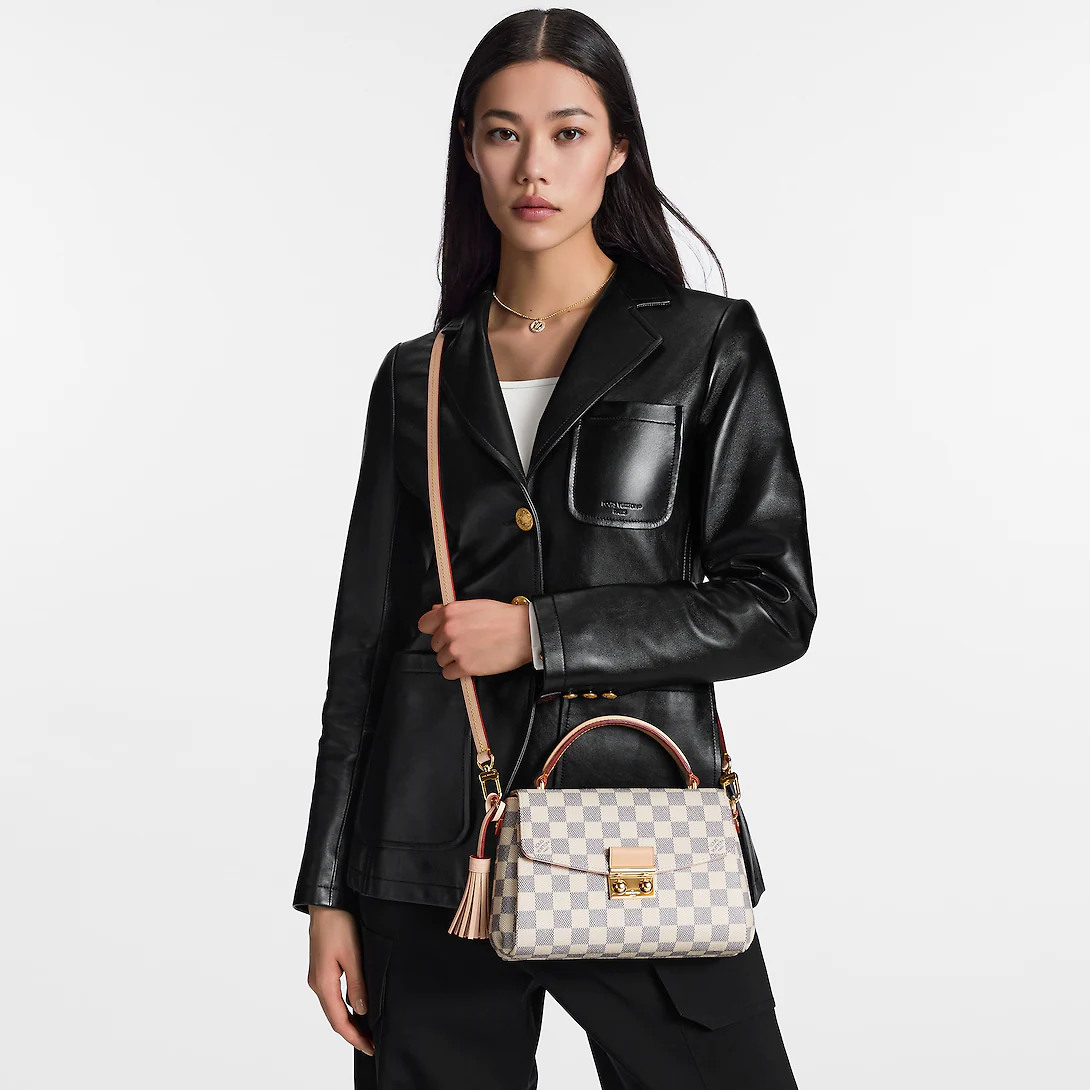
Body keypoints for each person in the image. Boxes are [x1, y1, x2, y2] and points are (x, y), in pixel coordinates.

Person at [293, 9, 817, 1088]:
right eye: (503, 133)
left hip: (635, 831)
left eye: (568, 132)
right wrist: (329, 889)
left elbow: (772, 603)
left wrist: (540, 632)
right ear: (469, 149)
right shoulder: (417, 375)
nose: (534, 165)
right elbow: (364, 648)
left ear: (617, 147)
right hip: (430, 860)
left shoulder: (704, 343)